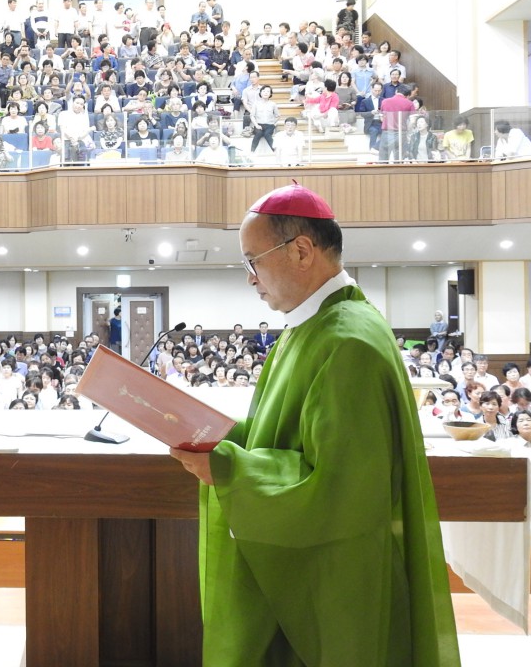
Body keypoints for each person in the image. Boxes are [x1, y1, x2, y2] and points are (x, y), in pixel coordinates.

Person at [170, 182, 460, 666]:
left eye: (253, 261)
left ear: (301, 250)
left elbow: (340, 490)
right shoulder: (311, 326)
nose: (250, 278)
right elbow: (284, 432)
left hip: (333, 587)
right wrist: (218, 434)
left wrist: (229, 468)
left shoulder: (348, 341)